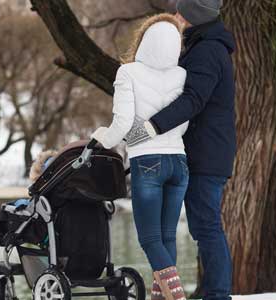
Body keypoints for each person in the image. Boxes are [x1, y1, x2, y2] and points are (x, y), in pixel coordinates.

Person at [129, 0, 237, 299]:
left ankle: (217, 294)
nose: (175, 17)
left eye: (181, 12)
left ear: (195, 15)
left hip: (206, 153)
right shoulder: (201, 45)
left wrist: (150, 127)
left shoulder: (207, 51)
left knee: (206, 227)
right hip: (200, 150)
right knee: (201, 228)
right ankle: (176, 292)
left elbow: (193, 100)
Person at [90, 13, 189, 300]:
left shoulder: (128, 72)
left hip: (148, 163)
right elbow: (182, 121)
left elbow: (121, 124)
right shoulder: (182, 75)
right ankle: (162, 297)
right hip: (179, 163)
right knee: (167, 236)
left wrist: (102, 138)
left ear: (144, 40)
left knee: (150, 239)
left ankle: (176, 296)